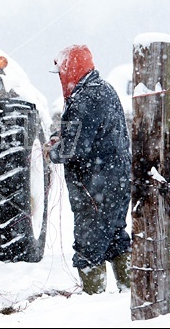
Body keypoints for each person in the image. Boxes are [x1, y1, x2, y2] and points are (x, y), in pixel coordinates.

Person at [43, 44, 132, 295]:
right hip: (116, 178)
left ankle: (94, 305)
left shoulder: (84, 98)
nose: (61, 76)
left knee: (89, 242)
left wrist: (53, 152)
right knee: (115, 236)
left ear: (71, 68)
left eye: (62, 70)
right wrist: (61, 139)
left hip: (95, 184)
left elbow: (76, 148)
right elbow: (93, 135)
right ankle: (129, 292)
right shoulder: (104, 89)